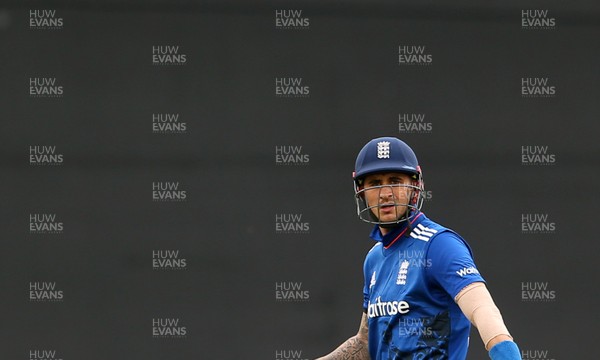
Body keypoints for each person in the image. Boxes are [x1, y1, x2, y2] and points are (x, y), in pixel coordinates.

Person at [316, 137, 521, 360]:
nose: (386, 193)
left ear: (415, 187)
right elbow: (366, 342)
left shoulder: (439, 244)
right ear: (361, 191)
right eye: (375, 183)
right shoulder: (373, 258)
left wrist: (506, 353)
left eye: (395, 181)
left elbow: (482, 309)